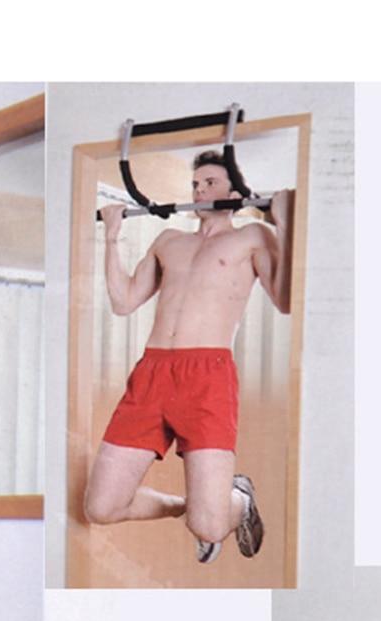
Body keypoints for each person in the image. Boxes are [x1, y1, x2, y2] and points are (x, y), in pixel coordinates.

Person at [84, 151, 292, 564]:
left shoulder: (252, 237)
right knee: (101, 508)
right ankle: (190, 505)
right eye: (195, 185)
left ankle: (236, 499)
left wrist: (282, 223)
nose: (200, 192)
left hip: (207, 376)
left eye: (210, 183)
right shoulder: (169, 241)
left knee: (212, 527)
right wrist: (110, 238)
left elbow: (284, 299)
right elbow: (124, 302)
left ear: (235, 191)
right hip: (152, 373)